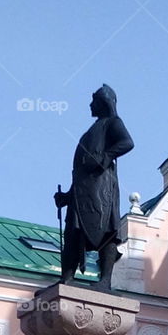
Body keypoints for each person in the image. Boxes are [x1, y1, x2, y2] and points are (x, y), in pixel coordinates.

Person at [54, 85, 134, 291]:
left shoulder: (113, 123)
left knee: (107, 232)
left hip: (103, 188)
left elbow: (127, 142)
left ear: (104, 102)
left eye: (94, 101)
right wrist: (68, 196)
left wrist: (105, 158)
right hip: (82, 191)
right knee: (73, 232)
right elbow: (81, 171)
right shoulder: (91, 131)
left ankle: (105, 280)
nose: (90, 105)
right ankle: (67, 278)